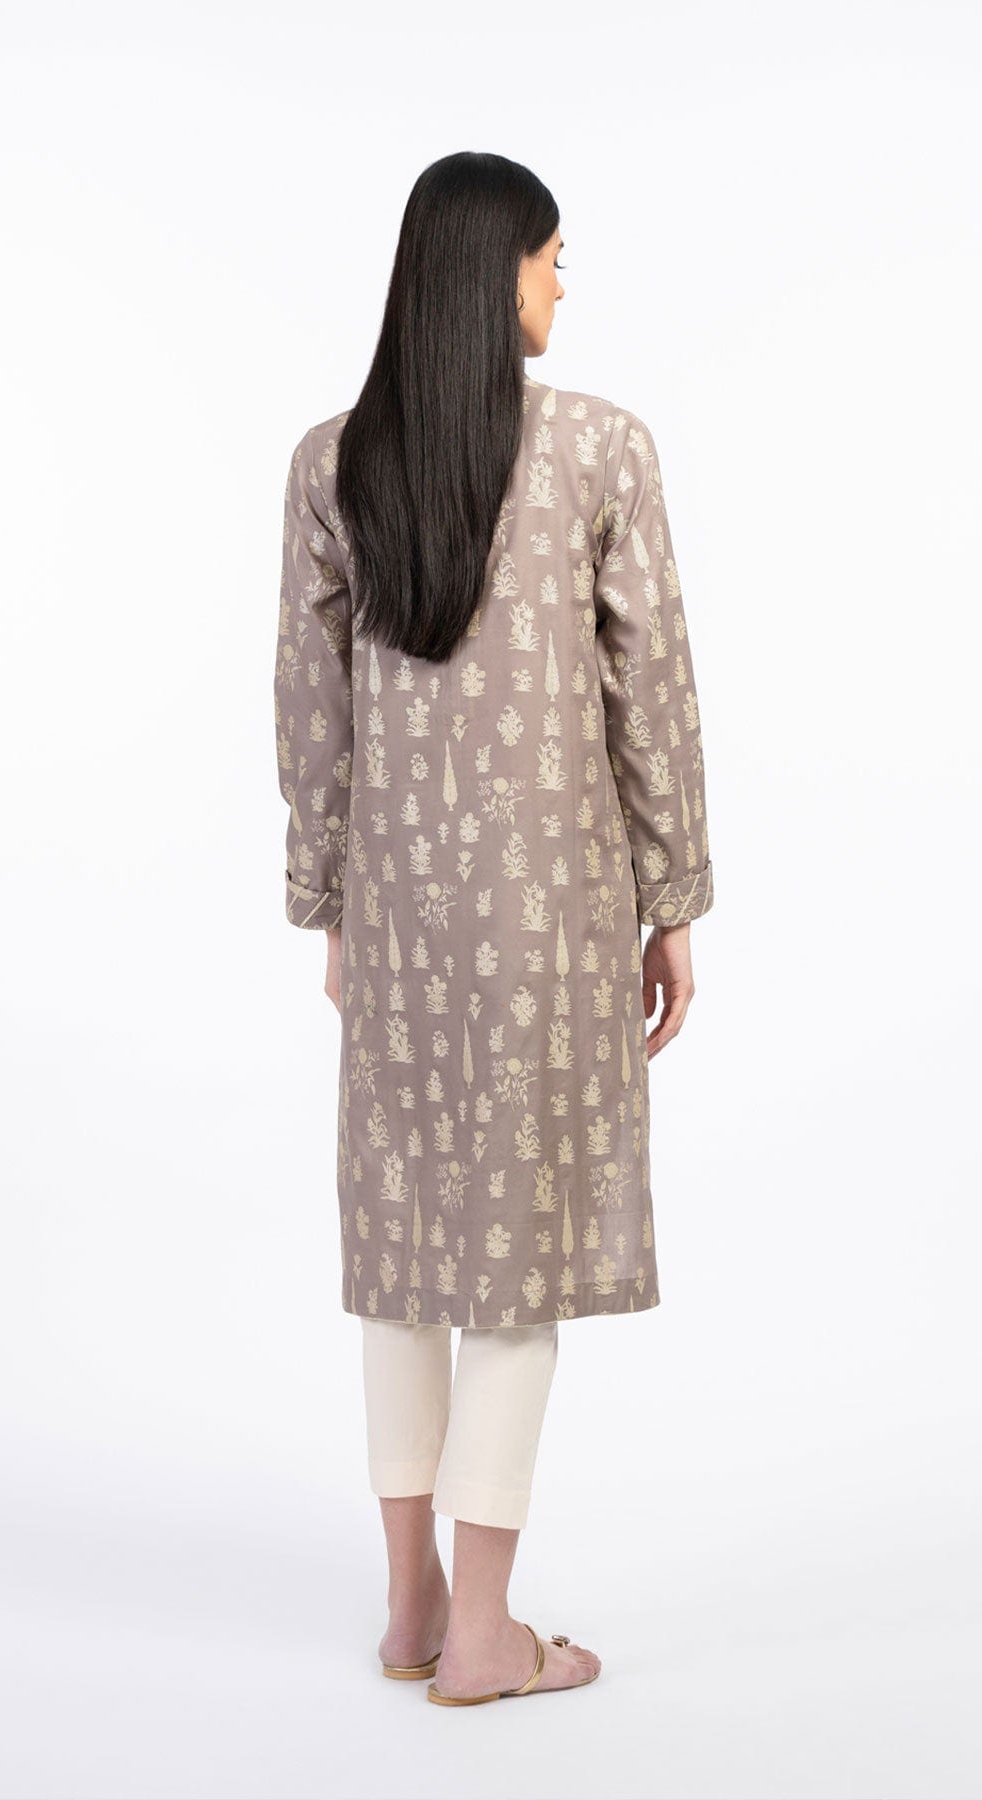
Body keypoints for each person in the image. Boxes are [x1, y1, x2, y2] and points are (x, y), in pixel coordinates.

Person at [273, 151, 715, 1705]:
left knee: (405, 1248)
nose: (561, 284)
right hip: (553, 919)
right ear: (493, 271)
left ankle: (409, 1607)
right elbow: (650, 693)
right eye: (551, 256)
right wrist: (672, 898)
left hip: (401, 917)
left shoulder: (334, 464)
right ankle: (483, 1631)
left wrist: (330, 905)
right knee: (515, 1261)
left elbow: (311, 714)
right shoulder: (600, 449)